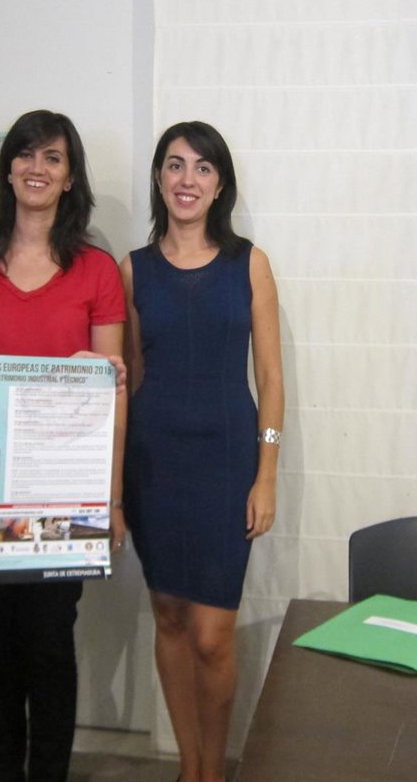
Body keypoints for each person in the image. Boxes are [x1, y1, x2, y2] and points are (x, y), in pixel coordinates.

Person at [0, 109, 127, 782]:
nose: (38, 168)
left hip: (64, 485)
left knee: (52, 642)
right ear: (8, 169)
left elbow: (115, 389)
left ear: (70, 176)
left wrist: (111, 498)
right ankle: (3, 770)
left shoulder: (96, 269)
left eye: (53, 157)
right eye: (26, 154)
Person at [121, 121, 284, 782]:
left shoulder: (250, 263)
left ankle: (212, 772)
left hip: (226, 464)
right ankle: (189, 769)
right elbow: (130, 375)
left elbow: (270, 378)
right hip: (152, 464)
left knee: (213, 636)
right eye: (175, 165)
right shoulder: (133, 269)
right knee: (167, 617)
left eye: (202, 168)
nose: (187, 179)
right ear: (159, 178)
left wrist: (266, 474)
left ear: (220, 186)